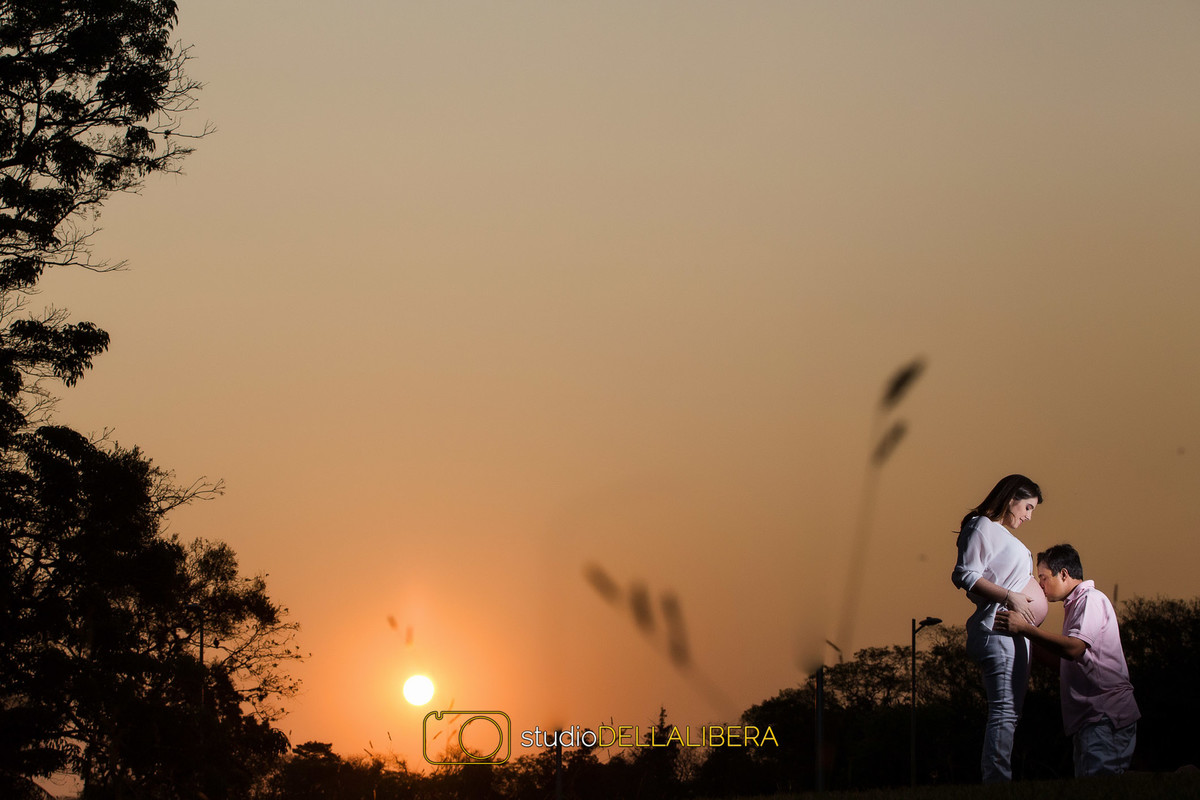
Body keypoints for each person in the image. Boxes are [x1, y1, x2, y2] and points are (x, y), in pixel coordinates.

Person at [996, 544, 1140, 777]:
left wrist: (1025, 628)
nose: (1040, 586)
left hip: (1105, 714)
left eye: (1043, 577)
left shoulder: (1090, 600)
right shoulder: (1075, 606)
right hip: (1089, 717)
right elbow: (1066, 662)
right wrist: (1023, 638)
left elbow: (1074, 649)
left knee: (1102, 783)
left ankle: (1177, 779)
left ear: (1063, 574)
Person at [951, 474, 1047, 783]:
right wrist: (1010, 597)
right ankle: (996, 781)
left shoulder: (998, 533)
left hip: (1014, 634)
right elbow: (964, 575)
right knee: (1004, 711)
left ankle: (998, 779)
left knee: (1010, 712)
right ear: (1010, 499)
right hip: (998, 630)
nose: (1028, 516)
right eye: (1028, 507)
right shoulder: (981, 526)